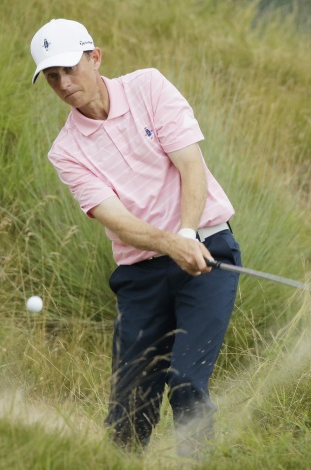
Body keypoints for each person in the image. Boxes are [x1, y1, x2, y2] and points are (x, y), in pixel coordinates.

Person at [30, 19, 242, 458]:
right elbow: (118, 221)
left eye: (70, 69)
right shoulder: (65, 150)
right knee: (128, 413)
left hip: (207, 253)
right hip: (140, 277)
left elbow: (191, 166)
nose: (64, 84)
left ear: (96, 57)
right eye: (53, 77)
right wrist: (170, 244)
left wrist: (186, 235)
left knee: (186, 382)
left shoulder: (148, 86)